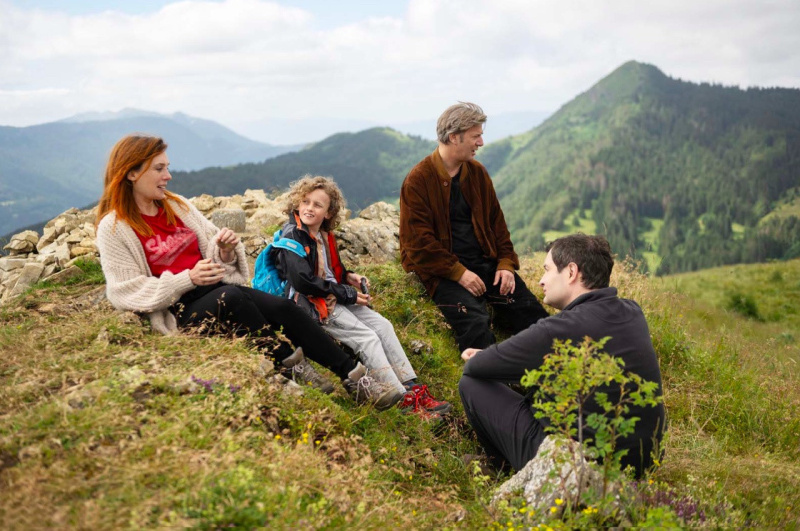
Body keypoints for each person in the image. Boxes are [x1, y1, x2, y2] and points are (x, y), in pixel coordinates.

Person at [94, 134, 386, 407]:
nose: (168, 176)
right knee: (233, 297)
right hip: (179, 308)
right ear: (132, 173)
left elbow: (214, 247)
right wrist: (187, 279)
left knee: (284, 308)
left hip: (213, 289)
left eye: (167, 168)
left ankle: (354, 378)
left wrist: (224, 250)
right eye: (159, 169)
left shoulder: (177, 206)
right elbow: (124, 290)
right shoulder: (114, 227)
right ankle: (291, 364)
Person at [458, 234, 665, 478]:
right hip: (642, 462)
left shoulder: (558, 328)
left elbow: (477, 367)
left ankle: (501, 466)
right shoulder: (633, 312)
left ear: (571, 272)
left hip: (576, 471)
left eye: (547, 270)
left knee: (471, 383)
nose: (541, 280)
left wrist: (484, 357)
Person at [273, 175, 452, 418]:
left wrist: (349, 277)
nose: (309, 208)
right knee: (367, 338)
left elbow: (330, 271)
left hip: (332, 296)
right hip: (313, 305)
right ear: (297, 204)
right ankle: (403, 401)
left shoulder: (323, 235)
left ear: (328, 212)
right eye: (305, 202)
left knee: (383, 326)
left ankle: (413, 387)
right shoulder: (292, 235)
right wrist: (347, 294)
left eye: (318, 205)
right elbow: (302, 281)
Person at [399, 102, 548, 352]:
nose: (481, 142)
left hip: (485, 263)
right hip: (442, 272)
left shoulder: (477, 173)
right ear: (454, 137)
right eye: (476, 136)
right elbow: (418, 245)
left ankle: (555, 375)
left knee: (532, 314)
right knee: (475, 324)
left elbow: (497, 224)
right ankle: (492, 386)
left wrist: (505, 264)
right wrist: (458, 273)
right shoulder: (419, 180)